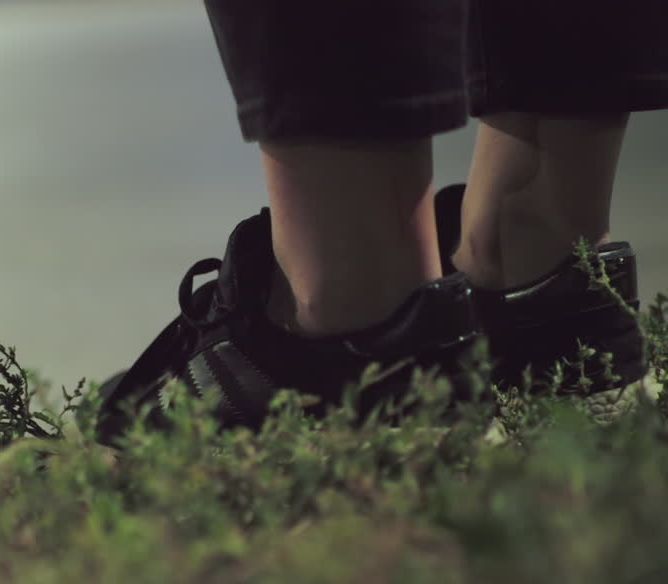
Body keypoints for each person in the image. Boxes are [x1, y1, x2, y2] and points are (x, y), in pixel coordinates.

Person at [95, 0, 668, 447]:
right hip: (574, 315)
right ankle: (546, 284)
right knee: (534, 229)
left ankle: (354, 313)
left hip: (347, 378)